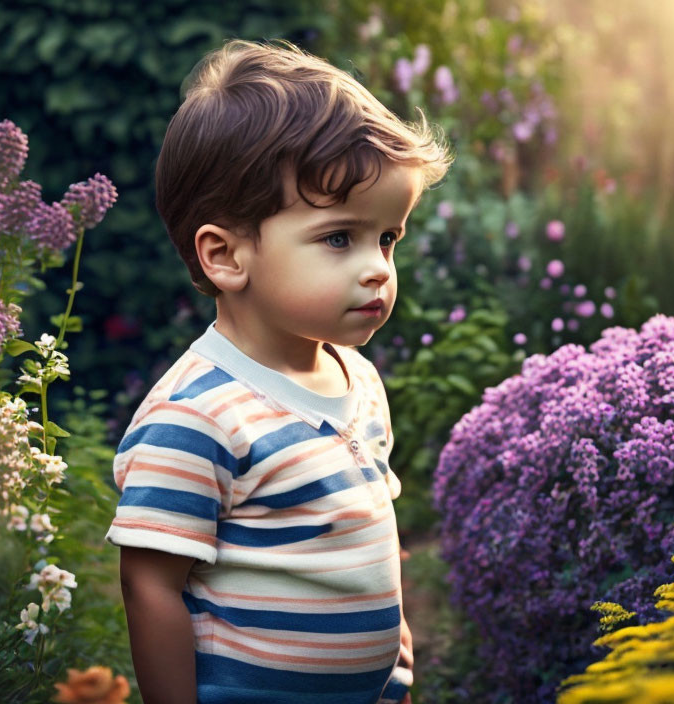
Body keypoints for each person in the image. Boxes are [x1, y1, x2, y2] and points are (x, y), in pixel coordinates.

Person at [105, 38, 450, 704]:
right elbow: (150, 586)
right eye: (339, 238)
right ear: (226, 256)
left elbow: (364, 529)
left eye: (388, 238)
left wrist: (393, 645)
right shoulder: (196, 415)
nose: (378, 267)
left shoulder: (359, 381)